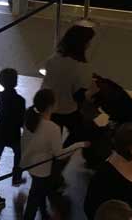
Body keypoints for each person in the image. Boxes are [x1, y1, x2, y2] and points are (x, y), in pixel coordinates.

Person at [21, 88, 84, 220]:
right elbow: (59, 154)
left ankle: (44, 213)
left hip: (30, 165)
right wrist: (80, 144)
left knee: (39, 191)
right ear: (51, 106)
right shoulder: (52, 128)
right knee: (34, 198)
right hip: (42, 169)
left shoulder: (30, 119)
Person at [41, 24, 97, 146]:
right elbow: (78, 96)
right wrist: (92, 92)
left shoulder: (53, 59)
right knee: (81, 134)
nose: (89, 45)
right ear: (82, 44)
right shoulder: (82, 67)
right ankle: (65, 153)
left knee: (52, 141)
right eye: (88, 42)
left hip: (49, 107)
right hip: (67, 109)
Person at [0, 67, 26, 208]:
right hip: (13, 134)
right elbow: (21, 121)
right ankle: (16, 177)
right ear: (16, 81)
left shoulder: (0, 96)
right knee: (19, 153)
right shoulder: (20, 100)